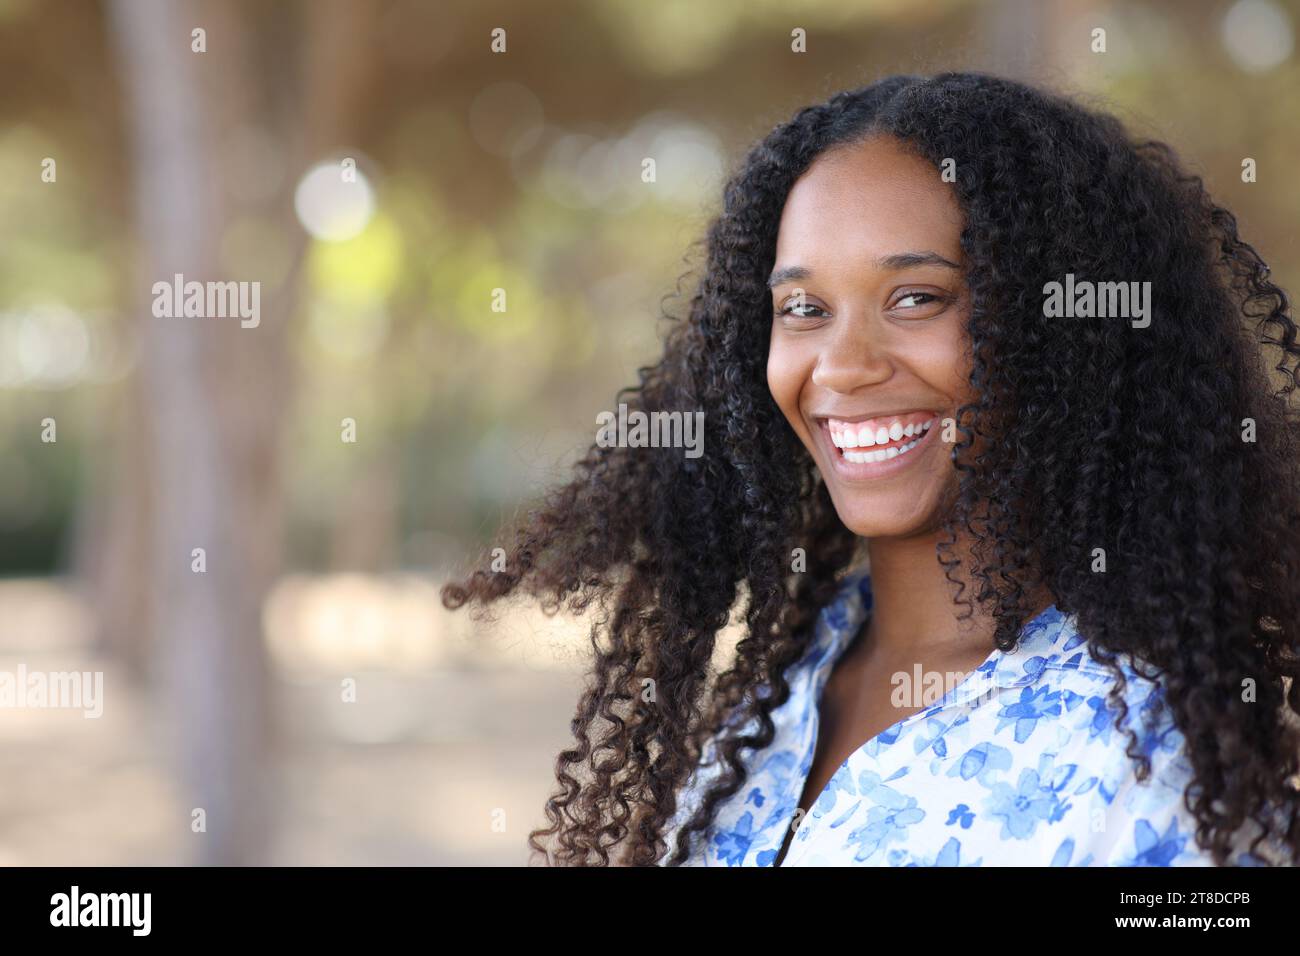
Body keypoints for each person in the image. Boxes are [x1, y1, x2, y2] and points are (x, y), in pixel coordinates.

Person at [442, 72, 1300, 866]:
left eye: (916, 298)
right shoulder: (785, 678)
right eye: (805, 309)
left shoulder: (1157, 758)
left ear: (1067, 331)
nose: (843, 366)